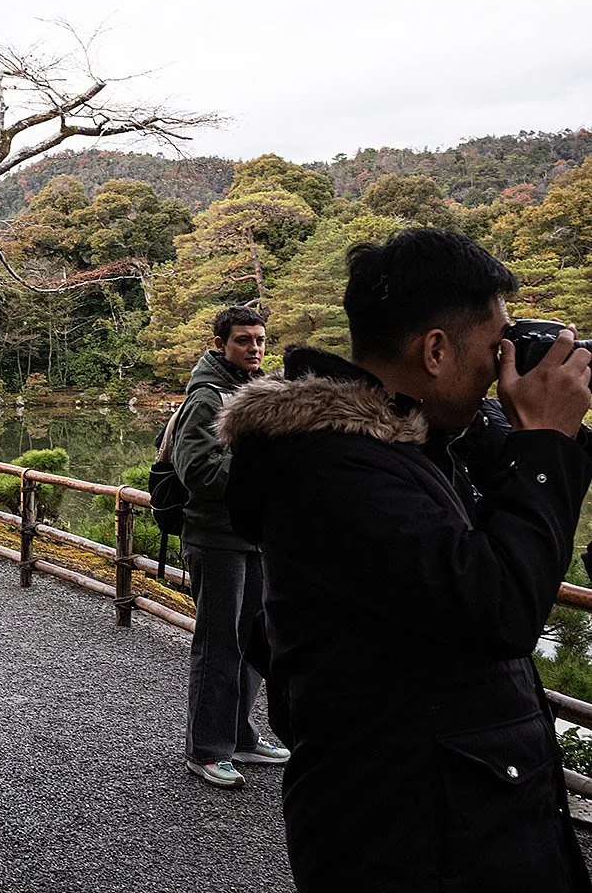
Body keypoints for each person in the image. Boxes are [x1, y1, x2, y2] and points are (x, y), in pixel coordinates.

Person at [221, 228, 592, 892]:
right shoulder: (335, 466)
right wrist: (542, 445)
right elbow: (500, 606)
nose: (501, 366)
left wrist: (545, 429)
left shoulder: (414, 440)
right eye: (495, 346)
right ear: (436, 350)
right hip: (415, 840)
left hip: (451, 811)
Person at [168, 306, 287, 789]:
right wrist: (262, 475)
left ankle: (239, 736)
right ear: (221, 344)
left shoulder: (258, 391)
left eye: (260, 339)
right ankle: (207, 749)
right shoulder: (207, 396)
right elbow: (196, 469)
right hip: (215, 535)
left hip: (254, 536)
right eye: (243, 340)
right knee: (219, 643)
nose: (254, 348)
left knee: (254, 640)